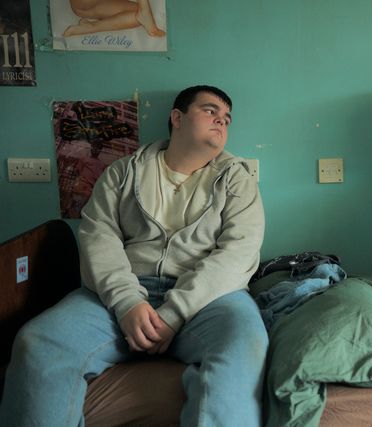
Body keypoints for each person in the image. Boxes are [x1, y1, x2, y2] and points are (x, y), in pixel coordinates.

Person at [0, 85, 268, 426]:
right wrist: (127, 303)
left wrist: (175, 313)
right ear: (177, 118)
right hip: (121, 291)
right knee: (37, 342)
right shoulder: (123, 172)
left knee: (243, 343)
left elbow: (239, 252)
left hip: (209, 300)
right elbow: (99, 238)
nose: (221, 121)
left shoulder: (238, 180)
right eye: (210, 111)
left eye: (227, 118)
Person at [63, 0, 166, 37]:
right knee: (142, 11)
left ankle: (91, 27)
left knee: (136, 14)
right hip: (84, 3)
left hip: (83, 7)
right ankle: (145, 10)